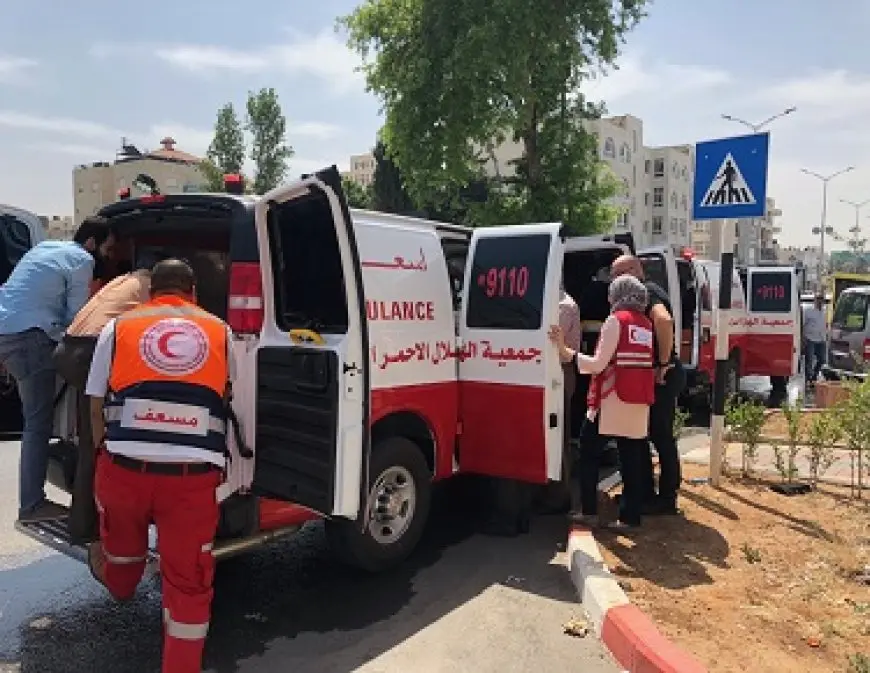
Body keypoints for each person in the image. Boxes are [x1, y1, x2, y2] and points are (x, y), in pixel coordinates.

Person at [85, 259, 234, 673]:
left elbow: (96, 401)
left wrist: (105, 455)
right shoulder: (221, 331)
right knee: (188, 583)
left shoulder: (118, 328)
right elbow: (235, 400)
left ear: (152, 293)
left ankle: (120, 584)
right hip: (192, 478)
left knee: (121, 546)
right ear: (194, 292)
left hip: (125, 470)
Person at [0, 216, 115, 523]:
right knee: (37, 423)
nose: (107, 256)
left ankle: (35, 499)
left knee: (35, 419)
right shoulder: (81, 260)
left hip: (7, 333)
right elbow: (79, 321)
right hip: (30, 338)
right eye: (107, 248)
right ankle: (32, 505)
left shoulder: (46, 247)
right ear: (91, 243)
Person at [53, 257, 152, 543]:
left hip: (68, 349)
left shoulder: (122, 282)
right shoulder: (146, 285)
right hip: (89, 352)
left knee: (90, 439)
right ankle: (93, 524)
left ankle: (84, 523)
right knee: (101, 443)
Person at [549, 275, 656, 529]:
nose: (608, 298)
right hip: (638, 400)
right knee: (631, 458)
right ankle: (631, 517)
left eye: (612, 293)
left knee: (588, 451)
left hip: (612, 399)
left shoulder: (615, 321)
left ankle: (589, 511)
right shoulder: (645, 323)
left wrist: (566, 352)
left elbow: (598, 364)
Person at [610, 254, 685, 515]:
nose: (614, 281)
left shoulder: (649, 292)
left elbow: (663, 321)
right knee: (644, 436)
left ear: (633, 271)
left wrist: (662, 364)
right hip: (656, 374)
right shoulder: (645, 293)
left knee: (660, 437)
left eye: (617, 275)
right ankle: (644, 493)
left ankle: (665, 498)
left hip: (662, 375)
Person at [802, 293, 827, 386]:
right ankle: (808, 379)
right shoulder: (809, 311)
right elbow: (803, 325)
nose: (820, 301)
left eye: (822, 299)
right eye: (818, 299)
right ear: (815, 300)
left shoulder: (824, 311)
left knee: (822, 360)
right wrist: (803, 338)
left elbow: (825, 324)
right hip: (810, 339)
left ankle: (814, 375)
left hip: (821, 339)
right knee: (809, 360)